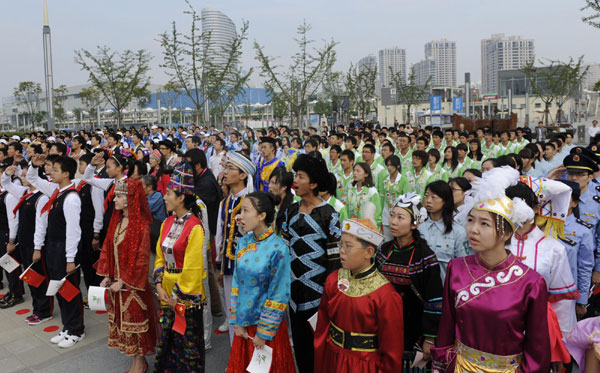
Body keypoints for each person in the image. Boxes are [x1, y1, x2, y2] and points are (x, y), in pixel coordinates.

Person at [432, 166, 551, 372]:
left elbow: (537, 348)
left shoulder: (530, 282)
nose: (473, 229)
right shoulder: (457, 268)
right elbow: (447, 324)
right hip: (459, 366)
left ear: (505, 234)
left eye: (484, 224)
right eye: (470, 220)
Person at [313, 218, 404, 372]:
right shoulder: (334, 279)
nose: (342, 250)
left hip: (364, 366)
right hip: (332, 359)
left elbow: (392, 351)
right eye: (341, 244)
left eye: (348, 246)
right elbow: (322, 329)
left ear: (369, 252)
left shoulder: (385, 295)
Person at [281, 153, 342, 373]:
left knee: (321, 353)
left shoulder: (329, 215)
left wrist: (330, 297)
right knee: (300, 350)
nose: (294, 181)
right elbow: (283, 250)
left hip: (319, 299)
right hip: (293, 296)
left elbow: (336, 262)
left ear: (314, 183)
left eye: (300, 176)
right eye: (295, 175)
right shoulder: (290, 211)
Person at [226, 192, 295, 372]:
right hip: (244, 326)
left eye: (246, 210)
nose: (240, 216)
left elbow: (280, 293)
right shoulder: (243, 243)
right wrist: (237, 321)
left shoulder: (278, 247)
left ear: (262, 216)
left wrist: (264, 332)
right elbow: (236, 284)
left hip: (267, 329)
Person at [96, 179, 158, 373]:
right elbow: (108, 248)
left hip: (132, 287)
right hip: (117, 284)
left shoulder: (141, 227)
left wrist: (123, 281)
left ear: (130, 199)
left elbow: (141, 260)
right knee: (123, 325)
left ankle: (140, 363)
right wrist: (107, 274)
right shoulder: (117, 221)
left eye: (120, 196)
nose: (115, 199)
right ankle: (135, 361)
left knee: (135, 326)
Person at [376, 193, 443, 368]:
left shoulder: (425, 257)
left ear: (415, 223)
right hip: (382, 324)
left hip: (413, 329)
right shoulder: (384, 250)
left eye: (400, 217)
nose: (394, 222)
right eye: (392, 215)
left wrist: (430, 337)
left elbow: (434, 299)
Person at [153, 163, 207, 371]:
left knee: (187, 348)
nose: (164, 197)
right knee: (168, 345)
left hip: (185, 297)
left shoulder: (195, 227)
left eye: (168, 193)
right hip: (166, 292)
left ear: (181, 197)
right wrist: (159, 285)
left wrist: (175, 296)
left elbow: (193, 269)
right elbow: (159, 258)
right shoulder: (167, 222)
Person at [27, 154, 85, 348]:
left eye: (56, 170)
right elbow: (33, 179)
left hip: (64, 248)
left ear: (67, 174)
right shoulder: (56, 191)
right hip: (52, 247)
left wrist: (70, 258)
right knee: (59, 289)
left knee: (69, 289)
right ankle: (67, 327)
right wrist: (34, 166)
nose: (51, 173)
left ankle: (77, 330)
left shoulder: (71, 198)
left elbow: (73, 231)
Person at [1, 162, 52, 322]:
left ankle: (45, 311)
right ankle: (37, 308)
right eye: (22, 175)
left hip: (35, 244)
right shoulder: (24, 192)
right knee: (30, 278)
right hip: (24, 243)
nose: (23, 178)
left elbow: (41, 226)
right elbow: (6, 184)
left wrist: (37, 248)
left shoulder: (42, 197)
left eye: (25, 175)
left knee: (39, 278)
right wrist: (7, 174)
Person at [215, 152, 256, 344]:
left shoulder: (251, 202)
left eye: (231, 168)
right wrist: (219, 263)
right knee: (233, 312)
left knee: (247, 311)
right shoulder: (225, 202)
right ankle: (235, 357)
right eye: (226, 167)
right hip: (228, 264)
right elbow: (220, 235)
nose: (225, 171)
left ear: (243, 175)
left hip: (248, 267)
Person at [418, 180, 469, 282]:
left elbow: (463, 266)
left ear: (445, 200)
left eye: (433, 197)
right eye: (427, 196)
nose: (428, 200)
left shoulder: (458, 232)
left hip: (446, 288)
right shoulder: (419, 229)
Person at [342, 162, 383, 227]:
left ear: (366, 174)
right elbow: (347, 211)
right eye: (354, 171)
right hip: (352, 227)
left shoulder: (372, 192)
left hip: (367, 229)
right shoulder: (351, 191)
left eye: (358, 171)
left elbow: (377, 214)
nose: (355, 173)